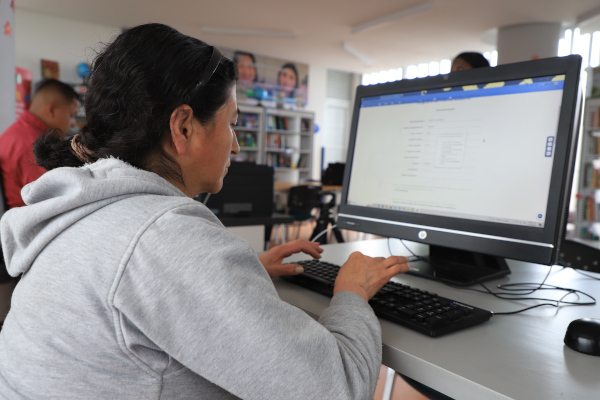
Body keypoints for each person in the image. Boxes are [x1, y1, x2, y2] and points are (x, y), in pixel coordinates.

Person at [0, 23, 410, 399]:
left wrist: (233, 276)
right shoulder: (164, 238)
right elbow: (337, 388)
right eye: (231, 124)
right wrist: (351, 293)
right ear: (182, 128)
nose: (235, 146)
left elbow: (143, 286)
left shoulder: (84, 212)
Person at [0, 79, 80, 208]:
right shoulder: (35, 144)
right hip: (28, 220)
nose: (73, 123)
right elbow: (56, 197)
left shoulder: (14, 132)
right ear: (52, 110)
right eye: (71, 115)